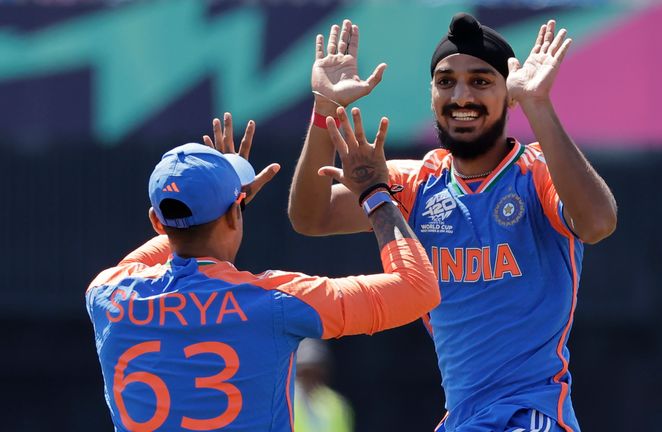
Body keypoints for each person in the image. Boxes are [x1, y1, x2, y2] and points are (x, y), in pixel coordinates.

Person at [288, 13, 617, 432]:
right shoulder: (419, 182)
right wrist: (324, 110)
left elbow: (598, 223)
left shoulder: (535, 173)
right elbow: (310, 217)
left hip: (530, 415)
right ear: (431, 95)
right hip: (463, 418)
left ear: (510, 95)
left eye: (480, 81)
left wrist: (539, 104)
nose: (461, 96)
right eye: (446, 81)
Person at [85, 113, 439, 432]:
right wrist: (376, 196)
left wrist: (226, 205)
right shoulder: (275, 301)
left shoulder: (107, 294)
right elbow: (417, 289)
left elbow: (167, 243)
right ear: (233, 215)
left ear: (155, 222)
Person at [294, 339, 354, 432]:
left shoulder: (336, 404)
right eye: (305, 373)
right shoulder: (283, 402)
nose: (310, 378)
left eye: (316, 373)